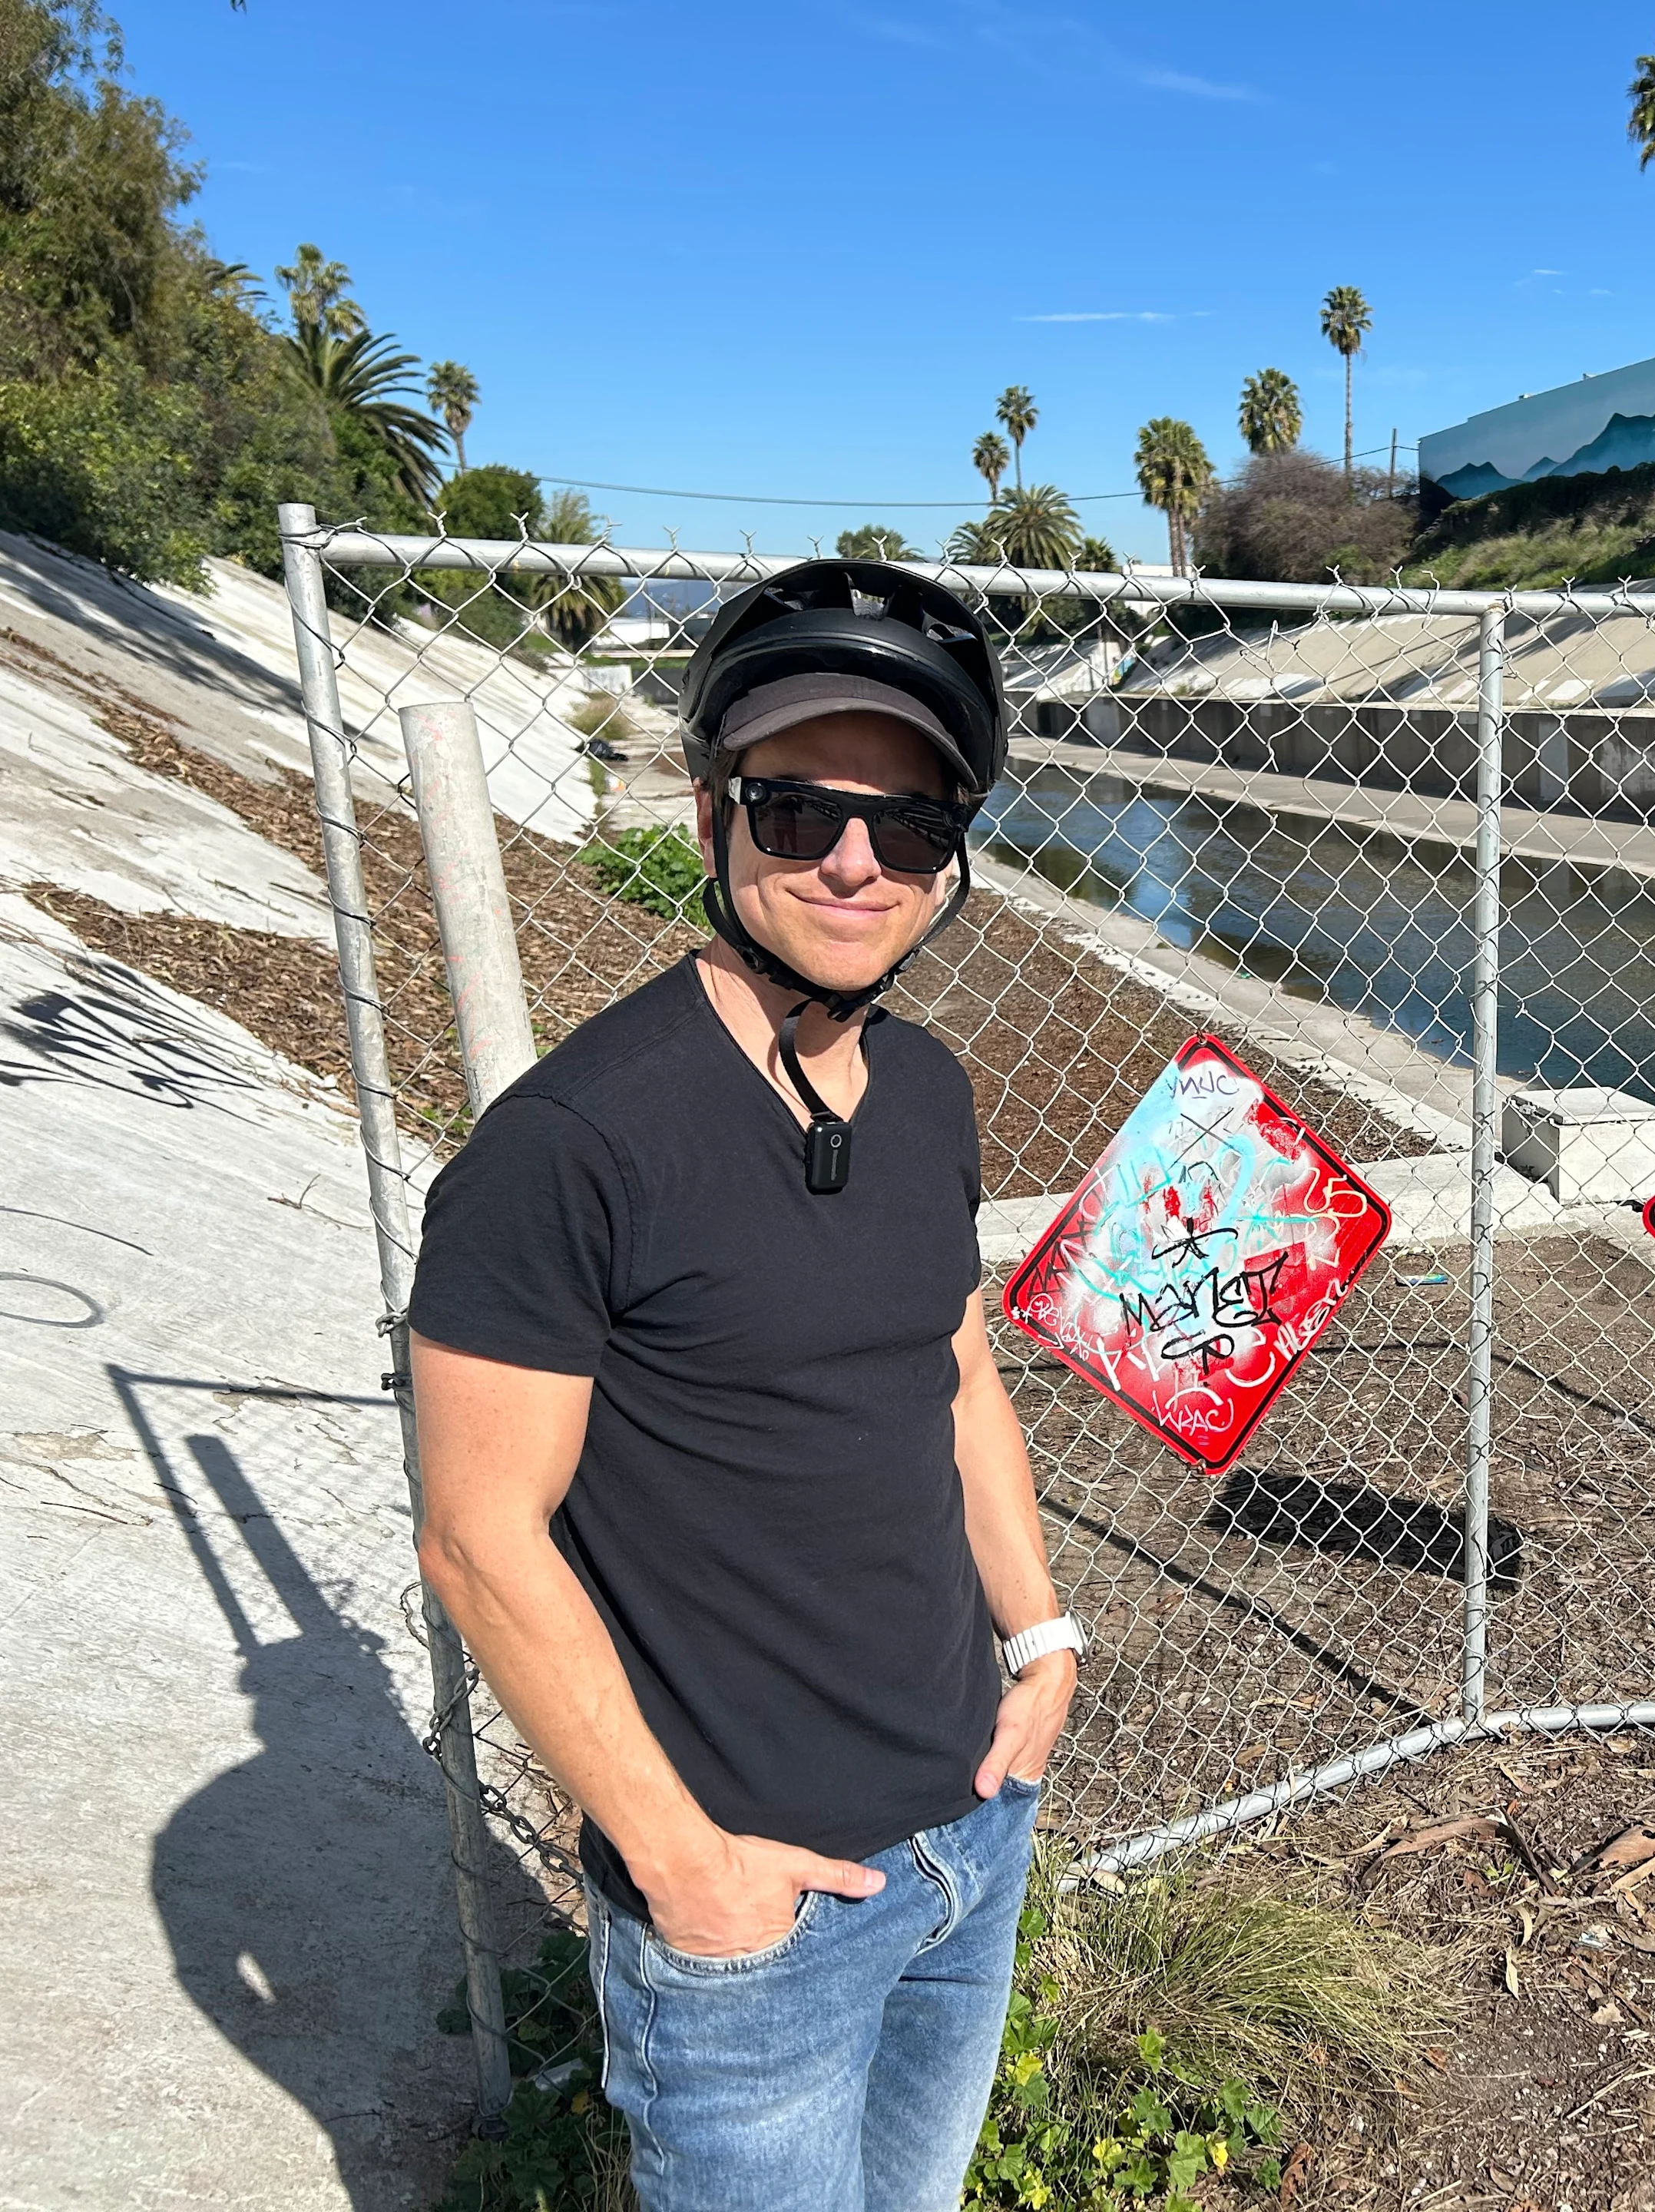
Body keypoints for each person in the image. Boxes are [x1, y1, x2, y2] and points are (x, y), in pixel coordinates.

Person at [408, 558, 1084, 2211]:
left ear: (951, 864)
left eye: (909, 827)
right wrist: (684, 1866)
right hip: (757, 1906)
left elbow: (953, 1369)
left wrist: (1044, 1634)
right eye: (799, 812)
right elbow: (482, 1540)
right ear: (714, 813)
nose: (857, 861)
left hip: (970, 1836)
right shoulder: (570, 1147)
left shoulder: (925, 1087)